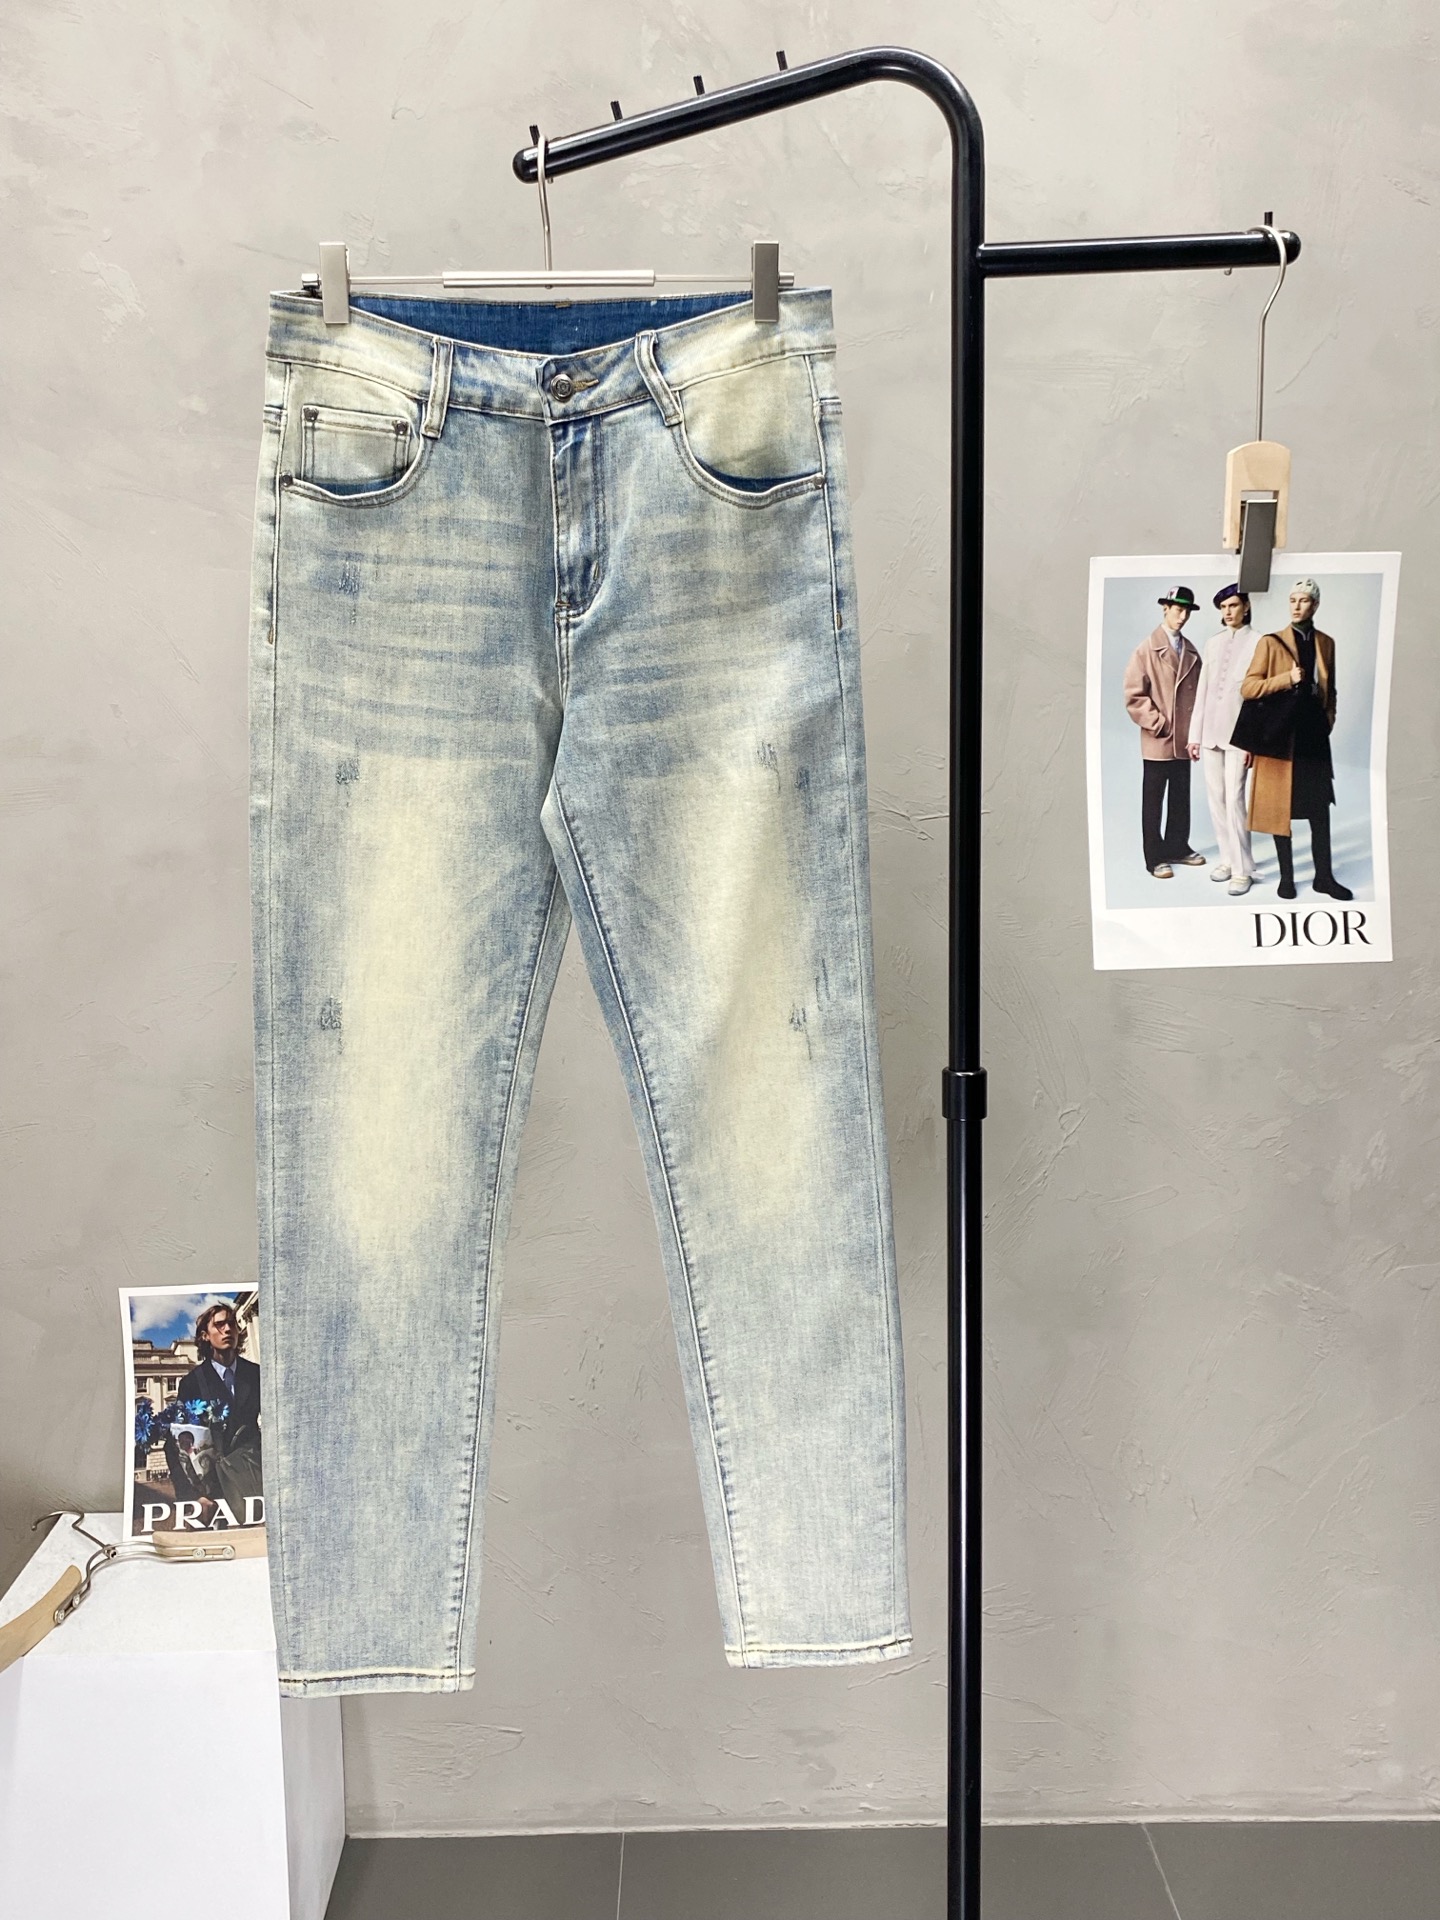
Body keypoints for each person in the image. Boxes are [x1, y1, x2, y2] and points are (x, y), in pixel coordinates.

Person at [1241, 578, 1352, 901]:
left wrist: (1327, 721)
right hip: (1281, 737)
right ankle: (1287, 879)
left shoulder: (1327, 642)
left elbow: (1330, 690)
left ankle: (1324, 878)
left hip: (1313, 738)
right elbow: (1248, 688)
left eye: (1303, 600)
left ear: (1315, 605)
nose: (1296, 606)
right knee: (1281, 809)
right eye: (1292, 600)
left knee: (1320, 810)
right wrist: (1285, 679)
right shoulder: (1270, 642)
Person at [1123, 585, 1207, 878]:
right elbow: (1134, 695)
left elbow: (1200, 696)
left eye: (1187, 612)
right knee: (1153, 800)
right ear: (1166, 609)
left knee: (1181, 797)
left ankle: (1178, 847)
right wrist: (1159, 724)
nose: (1182, 617)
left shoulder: (1192, 651)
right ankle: (1154, 857)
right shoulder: (1146, 649)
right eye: (1178, 610)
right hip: (1158, 738)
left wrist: (1195, 733)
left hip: (1184, 740)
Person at [1187, 585, 1259, 895]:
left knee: (1235, 799)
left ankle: (1243, 870)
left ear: (1246, 607)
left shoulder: (1260, 642)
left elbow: (1260, 700)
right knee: (1216, 799)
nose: (1228, 612)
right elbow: (1202, 692)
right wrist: (1194, 736)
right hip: (1210, 733)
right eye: (1224, 607)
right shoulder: (1212, 643)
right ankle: (1228, 860)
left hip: (1240, 735)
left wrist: (1253, 741)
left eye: (1233, 605)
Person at [177, 1301, 263, 1514]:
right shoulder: (191, 1383)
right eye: (219, 1325)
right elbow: (178, 1442)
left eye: (232, 1324)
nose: (228, 1329)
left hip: (255, 1476)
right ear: (205, 1335)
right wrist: (193, 1497)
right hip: (215, 1488)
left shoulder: (257, 1374)